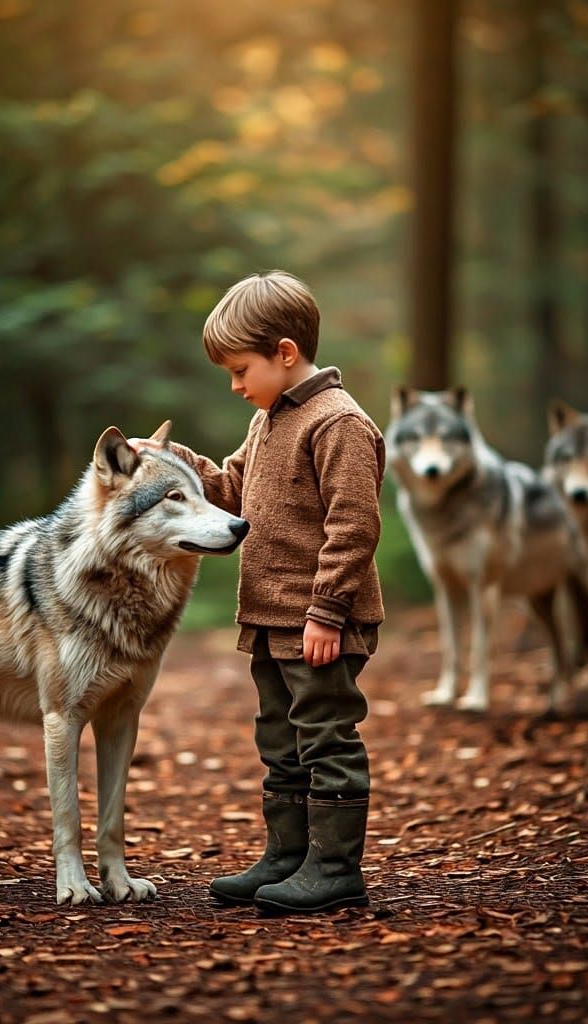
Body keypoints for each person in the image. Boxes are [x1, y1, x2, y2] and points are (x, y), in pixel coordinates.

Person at [137, 270, 385, 913]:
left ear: (284, 353)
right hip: (273, 619)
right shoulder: (270, 419)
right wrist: (175, 465)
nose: (235, 385)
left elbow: (354, 527)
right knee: (280, 741)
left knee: (326, 735)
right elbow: (231, 492)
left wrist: (328, 612)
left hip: (320, 621)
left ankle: (333, 868)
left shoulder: (339, 424)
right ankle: (286, 857)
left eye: (240, 369)